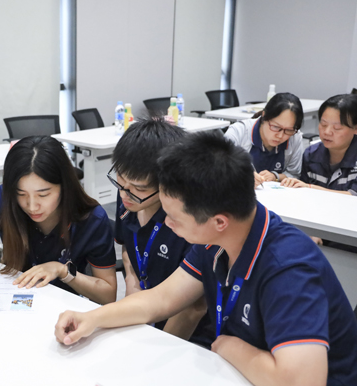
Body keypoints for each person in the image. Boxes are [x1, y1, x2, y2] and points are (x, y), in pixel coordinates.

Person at [54, 131, 357, 386]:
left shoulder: (288, 268)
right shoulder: (218, 239)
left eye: (174, 218)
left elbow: (302, 382)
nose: (167, 223)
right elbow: (161, 299)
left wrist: (229, 346)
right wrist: (92, 319)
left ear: (219, 221)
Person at [0, 136, 117, 309]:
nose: (31, 206)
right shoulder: (3, 199)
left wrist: (62, 271)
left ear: (65, 186)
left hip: (62, 310)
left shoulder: (91, 218)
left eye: (43, 195)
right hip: (11, 303)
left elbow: (108, 294)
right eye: (21, 194)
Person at [110, 119, 213, 346]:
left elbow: (193, 308)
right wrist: (132, 285)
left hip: (191, 338)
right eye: (120, 179)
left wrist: (154, 347)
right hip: (147, 315)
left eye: (139, 188)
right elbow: (128, 246)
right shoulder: (129, 196)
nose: (125, 193)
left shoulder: (191, 221)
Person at [281, 94, 357, 195]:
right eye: (323, 124)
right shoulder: (311, 155)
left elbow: (353, 196)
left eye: (337, 128)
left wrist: (310, 187)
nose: (327, 132)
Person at [225, 92, 304, 188]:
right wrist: (242, 176)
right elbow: (219, 171)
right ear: (264, 116)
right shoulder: (238, 132)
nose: (280, 135)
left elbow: (294, 174)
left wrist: (276, 176)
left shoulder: (295, 137)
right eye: (275, 127)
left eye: (288, 130)